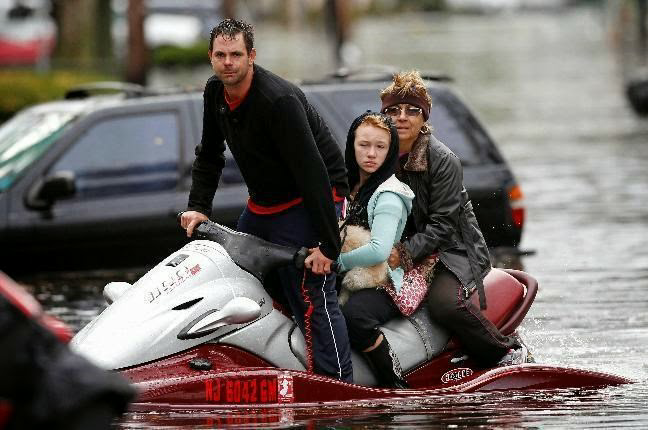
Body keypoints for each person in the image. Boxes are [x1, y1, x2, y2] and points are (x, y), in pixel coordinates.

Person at [179, 19, 353, 382]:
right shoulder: (214, 92)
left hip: (313, 197)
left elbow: (314, 175)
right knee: (241, 277)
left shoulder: (279, 101)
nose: (228, 62)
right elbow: (209, 154)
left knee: (311, 293)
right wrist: (198, 207)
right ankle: (276, 361)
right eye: (221, 55)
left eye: (236, 55)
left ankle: (337, 386)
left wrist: (327, 247)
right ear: (210, 58)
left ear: (251, 56)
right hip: (264, 203)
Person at [381, 70, 525, 366]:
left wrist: (403, 254)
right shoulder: (380, 155)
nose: (402, 117)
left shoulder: (442, 159)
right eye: (393, 110)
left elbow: (443, 227)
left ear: (424, 117)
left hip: (456, 250)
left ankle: (504, 351)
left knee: (444, 305)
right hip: (410, 249)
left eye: (412, 110)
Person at [335, 112, 415, 388]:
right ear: (351, 145)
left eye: (380, 147)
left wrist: (336, 262)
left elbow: (379, 251)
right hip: (345, 272)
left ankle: (394, 383)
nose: (371, 154)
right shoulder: (344, 185)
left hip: (384, 280)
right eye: (363, 145)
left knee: (354, 317)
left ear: (390, 149)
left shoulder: (390, 194)